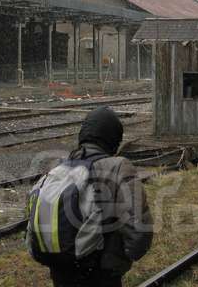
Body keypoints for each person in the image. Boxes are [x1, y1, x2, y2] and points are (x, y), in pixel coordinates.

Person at [48, 106, 153, 287]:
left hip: (60, 271)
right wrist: (120, 258)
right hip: (101, 273)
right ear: (113, 138)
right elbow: (139, 231)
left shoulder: (59, 168)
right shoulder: (118, 167)